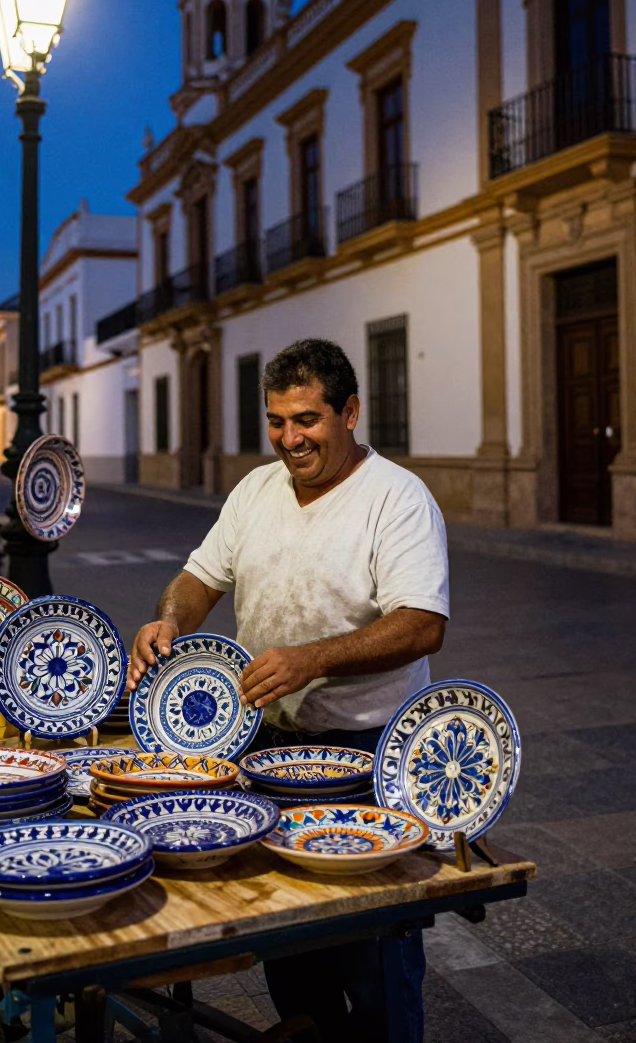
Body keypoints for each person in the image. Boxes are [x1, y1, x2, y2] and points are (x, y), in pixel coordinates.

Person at [127, 338, 449, 1043]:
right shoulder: (255, 491)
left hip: (368, 757)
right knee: (289, 939)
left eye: (306, 419)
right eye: (276, 421)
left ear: (350, 411)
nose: (289, 438)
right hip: (270, 753)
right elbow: (198, 578)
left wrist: (311, 660)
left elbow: (422, 626)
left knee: (372, 952)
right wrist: (169, 619)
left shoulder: (397, 498)